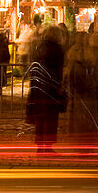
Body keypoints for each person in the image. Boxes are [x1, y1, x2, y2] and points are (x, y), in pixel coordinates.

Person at [26, 26, 66, 154]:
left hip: (38, 87)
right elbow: (58, 70)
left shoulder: (39, 47)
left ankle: (40, 144)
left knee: (40, 118)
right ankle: (48, 145)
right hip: (51, 88)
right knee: (50, 118)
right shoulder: (57, 49)